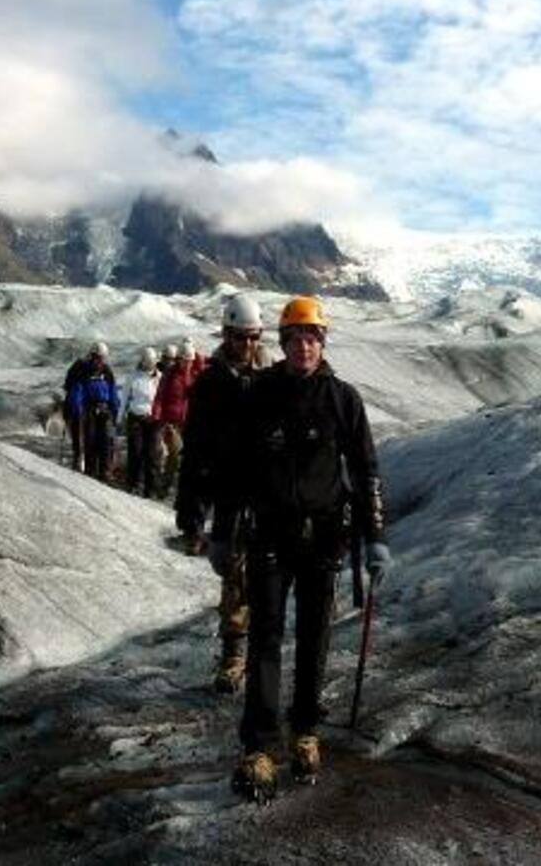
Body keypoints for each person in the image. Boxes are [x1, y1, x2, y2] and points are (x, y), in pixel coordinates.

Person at [216, 295, 389, 801]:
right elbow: (235, 471)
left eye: (312, 338)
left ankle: (306, 731)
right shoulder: (259, 395)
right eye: (295, 339)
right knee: (266, 637)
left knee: (314, 636)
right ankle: (260, 746)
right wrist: (223, 532)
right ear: (283, 343)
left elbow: (366, 472)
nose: (304, 348)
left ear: (322, 343)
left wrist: (375, 538)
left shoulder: (343, 400)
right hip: (270, 534)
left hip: (324, 537)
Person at [177, 294, 267, 694]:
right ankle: (234, 654)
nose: (247, 345)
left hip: (269, 494)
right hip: (230, 493)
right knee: (233, 573)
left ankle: (261, 651)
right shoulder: (210, 384)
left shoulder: (273, 378)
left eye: (253, 337)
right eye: (240, 337)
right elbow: (195, 450)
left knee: (268, 576)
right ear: (226, 335)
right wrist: (192, 513)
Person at [151, 337, 203, 504]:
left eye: (190, 361)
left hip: (189, 423)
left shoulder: (194, 374)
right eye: (184, 361)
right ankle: (164, 489)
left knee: (187, 459)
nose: (187, 364)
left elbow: (205, 366)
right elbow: (160, 396)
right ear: (179, 359)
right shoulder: (170, 375)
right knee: (175, 455)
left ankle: (179, 492)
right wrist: (157, 416)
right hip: (171, 423)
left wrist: (196, 355)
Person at [61, 341, 113, 473]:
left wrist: (114, 408)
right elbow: (74, 391)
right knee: (87, 442)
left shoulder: (106, 370)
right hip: (85, 410)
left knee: (105, 443)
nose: (101, 361)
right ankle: (87, 469)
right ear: (92, 356)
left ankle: (104, 472)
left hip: (103, 409)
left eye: (103, 358)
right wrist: (74, 410)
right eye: (99, 358)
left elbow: (112, 389)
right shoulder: (80, 368)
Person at [119, 347, 162, 495]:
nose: (150, 365)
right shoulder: (133, 376)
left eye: (152, 362)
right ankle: (133, 484)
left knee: (151, 454)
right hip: (135, 418)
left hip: (153, 420)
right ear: (143, 361)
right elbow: (124, 398)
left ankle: (150, 489)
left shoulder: (160, 377)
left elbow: (162, 399)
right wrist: (120, 418)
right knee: (135, 452)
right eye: (147, 362)